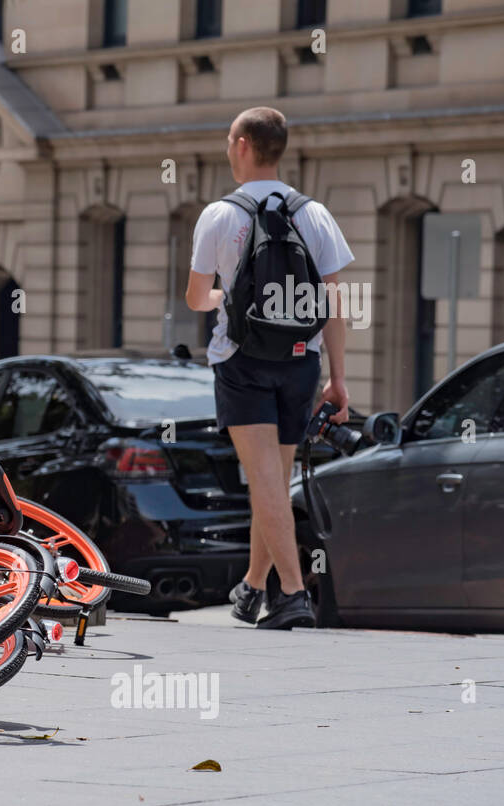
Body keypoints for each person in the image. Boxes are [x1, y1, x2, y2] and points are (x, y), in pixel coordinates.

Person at [185, 107, 354, 629]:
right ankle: (254, 585)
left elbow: (195, 298)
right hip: (302, 362)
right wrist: (338, 378)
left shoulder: (220, 214)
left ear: (241, 145)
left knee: (265, 482)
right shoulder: (314, 212)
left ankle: (293, 594)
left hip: (242, 362)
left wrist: (228, 296)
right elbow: (334, 302)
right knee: (274, 481)